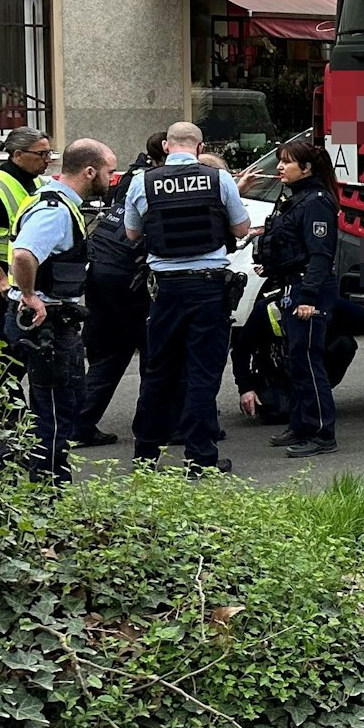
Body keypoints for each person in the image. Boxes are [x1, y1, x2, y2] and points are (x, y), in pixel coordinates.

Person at [124, 123, 251, 475]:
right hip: (208, 288)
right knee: (202, 374)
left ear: (166, 146)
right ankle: (200, 459)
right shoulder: (218, 179)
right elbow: (241, 229)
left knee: (158, 371)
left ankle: (145, 457)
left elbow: (132, 233)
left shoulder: (143, 182)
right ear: (200, 147)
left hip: (164, 289)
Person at [0, 140, 117, 483]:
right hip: (43, 323)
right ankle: (47, 493)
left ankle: (6, 481)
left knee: (57, 405)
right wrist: (31, 295)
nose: (113, 178)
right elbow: (23, 254)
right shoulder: (55, 208)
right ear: (89, 171)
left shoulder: (60, 201)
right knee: (53, 412)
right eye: (109, 171)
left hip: (48, 320)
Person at [72, 132, 166, 447]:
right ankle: (152, 427)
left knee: (112, 353)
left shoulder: (135, 181)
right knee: (154, 352)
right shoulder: (161, 185)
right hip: (127, 277)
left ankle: (80, 423)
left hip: (101, 268)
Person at [252, 138, 343, 457]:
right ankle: (302, 424)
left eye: (287, 162)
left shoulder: (316, 202)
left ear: (306, 168)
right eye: (279, 160)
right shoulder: (294, 199)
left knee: (308, 362)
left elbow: (320, 256)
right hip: (291, 286)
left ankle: (322, 433)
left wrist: (308, 298)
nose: (279, 167)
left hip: (308, 291)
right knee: (296, 362)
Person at [0, 127, 52, 402]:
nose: (48, 159)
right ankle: (6, 414)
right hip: (2, 283)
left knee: (34, 347)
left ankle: (27, 416)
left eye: (49, 153)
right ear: (18, 154)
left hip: (30, 280)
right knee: (7, 349)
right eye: (42, 154)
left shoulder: (39, 183)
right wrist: (0, 282)